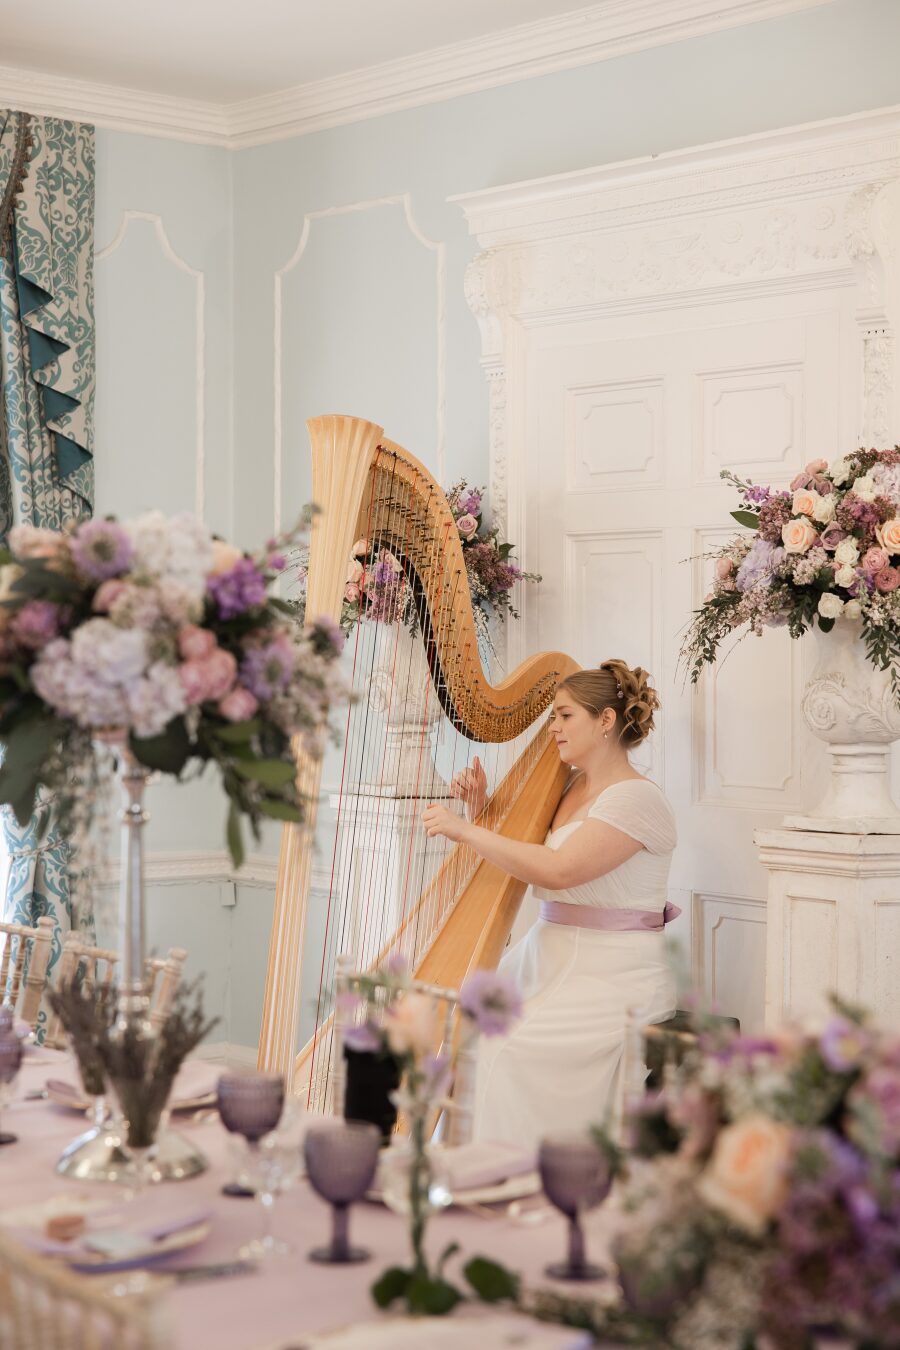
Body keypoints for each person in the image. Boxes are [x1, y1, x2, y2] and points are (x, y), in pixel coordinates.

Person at [422, 659, 677, 1150]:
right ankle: (452, 1166)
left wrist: (466, 830)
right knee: (458, 1024)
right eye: (552, 718)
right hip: (547, 953)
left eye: (564, 716)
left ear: (605, 720)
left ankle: (503, 1178)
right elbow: (529, 856)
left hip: (611, 971)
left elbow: (559, 870)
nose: (553, 728)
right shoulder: (567, 788)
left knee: (500, 1046)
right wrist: (482, 810)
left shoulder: (637, 800)